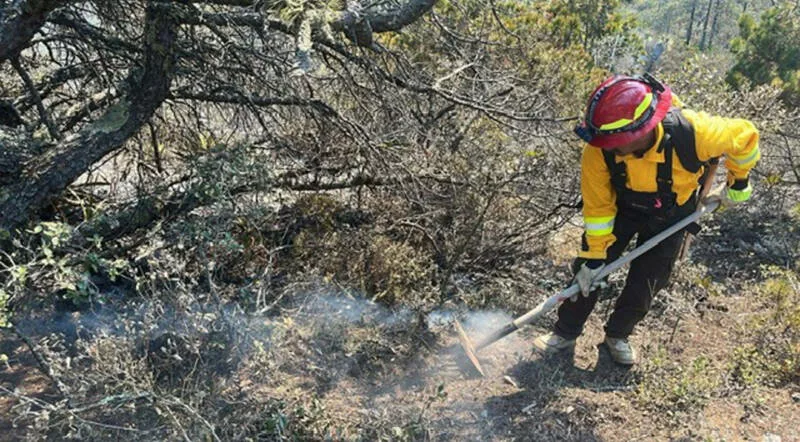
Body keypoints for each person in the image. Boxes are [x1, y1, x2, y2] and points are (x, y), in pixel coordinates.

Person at [533, 73, 760, 365]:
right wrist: (594, 257)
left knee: (649, 279)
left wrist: (738, 183)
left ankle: (618, 335)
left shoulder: (694, 133)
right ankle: (565, 333)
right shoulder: (599, 151)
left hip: (672, 216)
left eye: (615, 142)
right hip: (622, 210)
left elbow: (747, 136)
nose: (608, 147)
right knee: (587, 273)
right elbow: (598, 206)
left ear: (640, 131)